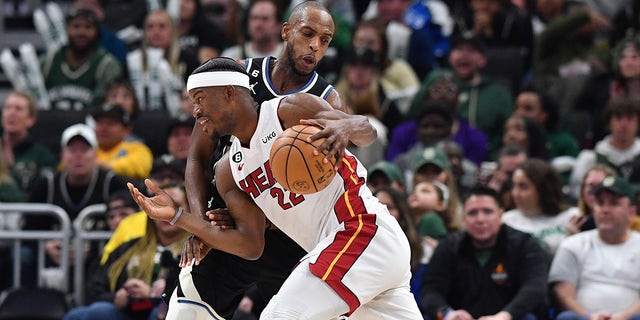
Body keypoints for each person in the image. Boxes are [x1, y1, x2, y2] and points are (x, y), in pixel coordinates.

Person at [128, 57, 421, 319]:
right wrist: (179, 215)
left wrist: (345, 127)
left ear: (229, 93)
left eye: (200, 98)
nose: (195, 111)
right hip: (359, 251)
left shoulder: (289, 111)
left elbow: (367, 131)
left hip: (360, 229)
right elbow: (250, 246)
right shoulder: (229, 171)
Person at [182, 2, 377, 318]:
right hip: (228, 223)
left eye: (325, 40)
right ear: (287, 32)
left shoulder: (326, 100)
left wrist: (347, 124)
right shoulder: (239, 73)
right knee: (188, 312)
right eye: (308, 33)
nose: (315, 45)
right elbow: (196, 158)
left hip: (288, 235)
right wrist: (200, 224)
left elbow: (323, 178)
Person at [64, 181, 189, 320]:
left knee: (161, 314)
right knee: (80, 315)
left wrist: (153, 294)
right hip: (129, 311)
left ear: (190, 210)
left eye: (176, 206)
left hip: (168, 311)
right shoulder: (128, 248)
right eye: (160, 206)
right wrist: (118, 296)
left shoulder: (197, 248)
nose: (167, 213)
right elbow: (95, 289)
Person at [421, 185, 549, 319]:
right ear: (463, 218)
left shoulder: (526, 245)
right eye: (472, 213)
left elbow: (534, 288)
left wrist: (505, 316)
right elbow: (431, 290)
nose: (480, 219)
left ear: (500, 215)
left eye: (487, 211)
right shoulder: (448, 247)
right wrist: (447, 313)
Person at [549, 175, 640, 320]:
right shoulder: (572, 244)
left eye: (614, 203)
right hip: (584, 318)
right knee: (567, 318)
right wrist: (589, 316)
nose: (605, 210)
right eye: (599, 203)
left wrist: (623, 317)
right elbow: (564, 293)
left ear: (632, 213)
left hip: (631, 318)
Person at [42, 8, 123, 111]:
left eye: (88, 27)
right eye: (76, 26)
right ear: (67, 30)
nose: (81, 32)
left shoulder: (107, 65)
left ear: (97, 32)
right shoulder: (49, 61)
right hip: (48, 124)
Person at [570, 98, 640, 198]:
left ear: (638, 123)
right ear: (609, 122)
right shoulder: (591, 158)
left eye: (630, 118)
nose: (624, 125)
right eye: (619, 118)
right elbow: (577, 192)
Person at [503, 158, 576, 255]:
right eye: (514, 186)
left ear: (543, 189)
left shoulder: (572, 217)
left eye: (523, 187)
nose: (515, 193)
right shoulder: (507, 221)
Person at [1, 91, 55, 194]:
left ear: (31, 119)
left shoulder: (42, 156)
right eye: (7, 108)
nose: (11, 113)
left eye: (18, 109)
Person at [92, 104, 154, 181]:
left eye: (111, 123)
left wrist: (102, 166)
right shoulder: (89, 150)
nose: (103, 128)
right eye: (100, 123)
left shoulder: (138, 148)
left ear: (126, 130)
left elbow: (139, 167)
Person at [566, 164, 617, 235]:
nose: (595, 192)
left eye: (600, 186)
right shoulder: (575, 222)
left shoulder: (630, 223)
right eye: (591, 186)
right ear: (582, 191)